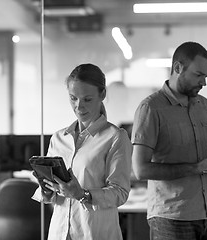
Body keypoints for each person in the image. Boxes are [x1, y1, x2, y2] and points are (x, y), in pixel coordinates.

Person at [131, 41, 207, 240]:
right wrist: (195, 167)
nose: (204, 83)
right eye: (198, 75)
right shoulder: (150, 108)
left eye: (206, 76)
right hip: (172, 217)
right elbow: (141, 170)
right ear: (177, 68)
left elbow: (202, 155)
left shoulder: (204, 105)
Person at [32, 63, 132, 240]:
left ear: (102, 95)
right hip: (59, 232)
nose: (79, 106)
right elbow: (53, 196)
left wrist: (82, 194)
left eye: (87, 99)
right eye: (73, 98)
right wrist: (47, 190)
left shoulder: (115, 137)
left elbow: (120, 192)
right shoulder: (58, 138)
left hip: (94, 233)